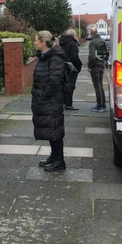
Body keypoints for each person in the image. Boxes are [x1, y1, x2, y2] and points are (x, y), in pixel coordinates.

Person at [32, 31, 66, 171]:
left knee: (54, 129)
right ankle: (54, 156)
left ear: (43, 42)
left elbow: (54, 80)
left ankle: (59, 161)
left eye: (36, 40)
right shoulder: (44, 56)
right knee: (51, 129)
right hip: (46, 101)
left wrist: (43, 95)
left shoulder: (55, 58)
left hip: (51, 101)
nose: (34, 42)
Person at [59, 29, 82, 111]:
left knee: (63, 85)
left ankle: (63, 102)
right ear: (73, 35)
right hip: (71, 67)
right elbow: (74, 57)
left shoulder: (60, 42)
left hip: (62, 66)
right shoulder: (72, 43)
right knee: (70, 85)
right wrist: (79, 66)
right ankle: (69, 104)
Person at [87, 26, 107, 112]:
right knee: (100, 85)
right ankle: (103, 104)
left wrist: (89, 66)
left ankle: (99, 106)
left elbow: (92, 56)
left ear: (91, 34)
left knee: (97, 86)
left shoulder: (92, 42)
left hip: (95, 66)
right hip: (101, 64)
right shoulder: (102, 40)